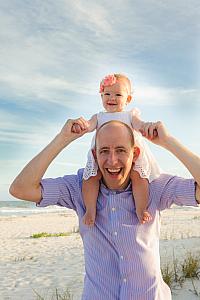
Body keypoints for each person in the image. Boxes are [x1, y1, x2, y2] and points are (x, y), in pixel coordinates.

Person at [10, 118, 200, 300]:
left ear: (135, 153)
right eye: (104, 151)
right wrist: (62, 139)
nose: (112, 160)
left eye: (120, 150)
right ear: (94, 155)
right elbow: (21, 189)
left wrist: (169, 142)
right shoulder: (78, 188)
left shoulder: (155, 187)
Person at [72, 73, 161, 226]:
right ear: (101, 96)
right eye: (107, 94)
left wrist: (147, 126)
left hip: (129, 153)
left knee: (138, 177)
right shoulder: (99, 117)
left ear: (128, 99)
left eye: (118, 94)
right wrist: (81, 125)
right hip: (102, 153)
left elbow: (140, 125)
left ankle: (140, 209)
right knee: (90, 178)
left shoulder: (130, 115)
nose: (111, 98)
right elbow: (89, 126)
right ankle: (90, 210)